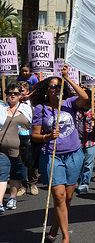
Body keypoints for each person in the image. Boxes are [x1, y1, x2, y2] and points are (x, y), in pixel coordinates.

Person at [31, 65, 89, 243]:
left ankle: (56, 227)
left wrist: (67, 79)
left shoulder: (69, 103)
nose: (56, 89)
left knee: (69, 196)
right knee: (59, 196)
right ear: (47, 91)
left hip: (74, 155)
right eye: (53, 86)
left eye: (59, 86)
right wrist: (48, 136)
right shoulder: (41, 109)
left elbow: (85, 97)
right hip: (51, 156)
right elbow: (34, 136)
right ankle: (66, 236)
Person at [0, 84, 32, 212]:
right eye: (10, 93)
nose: (12, 95)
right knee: (2, 174)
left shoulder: (28, 108)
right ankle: (0, 201)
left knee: (16, 175)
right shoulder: (1, 109)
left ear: (20, 96)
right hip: (2, 149)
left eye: (16, 93)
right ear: (6, 95)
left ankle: (12, 198)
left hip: (21, 150)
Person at [75, 90, 95, 195]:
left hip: (90, 143)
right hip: (77, 142)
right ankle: (77, 180)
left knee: (88, 164)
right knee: (77, 164)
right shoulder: (76, 110)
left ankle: (84, 184)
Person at [16, 81, 38, 197]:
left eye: (22, 91)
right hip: (17, 135)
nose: (20, 94)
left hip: (30, 135)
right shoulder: (13, 104)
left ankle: (33, 183)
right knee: (20, 161)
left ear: (27, 91)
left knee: (31, 160)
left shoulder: (32, 103)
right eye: (18, 91)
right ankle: (22, 185)